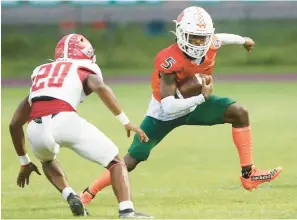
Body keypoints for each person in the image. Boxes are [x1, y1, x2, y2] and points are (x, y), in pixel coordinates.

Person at [80, 6, 282, 205]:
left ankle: (249, 174)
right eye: (194, 37)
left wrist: (243, 40)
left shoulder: (211, 43)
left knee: (239, 113)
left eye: (203, 38)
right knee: (133, 159)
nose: (199, 43)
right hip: (164, 114)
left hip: (194, 105)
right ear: (181, 34)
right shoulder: (168, 59)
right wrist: (201, 98)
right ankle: (89, 192)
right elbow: (169, 106)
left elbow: (222, 38)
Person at [9, 33, 152, 218]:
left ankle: (69, 194)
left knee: (47, 161)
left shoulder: (41, 73)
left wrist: (24, 162)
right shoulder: (81, 67)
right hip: (64, 119)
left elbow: (14, 124)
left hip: (35, 128)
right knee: (116, 162)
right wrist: (125, 121)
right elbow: (100, 87)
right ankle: (127, 211)